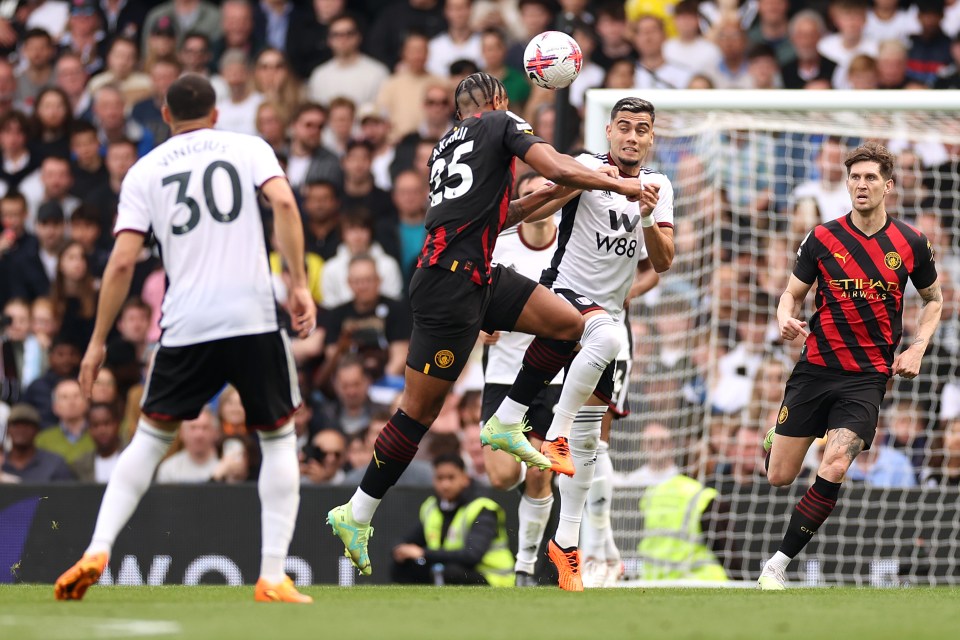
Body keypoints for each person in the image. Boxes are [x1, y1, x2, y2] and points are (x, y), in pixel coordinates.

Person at [327, 71, 645, 577]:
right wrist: (615, 180)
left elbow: (504, 213)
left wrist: (557, 194)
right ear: (497, 102)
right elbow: (552, 162)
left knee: (568, 323)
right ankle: (357, 511)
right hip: (450, 288)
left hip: (474, 275)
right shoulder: (499, 121)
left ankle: (505, 419)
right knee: (417, 413)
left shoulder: (445, 146)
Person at [54, 74, 316, 604]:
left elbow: (124, 260)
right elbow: (285, 206)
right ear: (216, 113)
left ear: (166, 115)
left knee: (148, 441)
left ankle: (98, 548)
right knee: (277, 439)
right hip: (252, 317)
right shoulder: (248, 147)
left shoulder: (144, 170)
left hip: (185, 324)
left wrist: (98, 340)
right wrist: (297, 284)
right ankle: (270, 575)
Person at [483, 97, 674, 591]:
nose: (633, 137)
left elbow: (665, 260)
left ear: (652, 138)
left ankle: (567, 547)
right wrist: (502, 217)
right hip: (567, 295)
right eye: (625, 128)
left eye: (643, 130)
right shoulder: (588, 167)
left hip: (604, 316)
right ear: (609, 131)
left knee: (591, 447)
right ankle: (553, 434)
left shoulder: (659, 186)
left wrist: (649, 217)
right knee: (608, 337)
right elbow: (545, 201)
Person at [758, 142, 942, 590]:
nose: (862, 185)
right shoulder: (822, 237)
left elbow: (934, 300)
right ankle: (783, 434)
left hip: (867, 377)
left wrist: (918, 347)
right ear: (847, 183)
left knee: (836, 464)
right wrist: (785, 318)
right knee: (779, 476)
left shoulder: (911, 242)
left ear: (888, 185)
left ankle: (776, 566)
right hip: (816, 368)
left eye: (871, 178)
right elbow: (791, 294)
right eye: (855, 177)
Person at [391, 453, 514, 586]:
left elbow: (472, 556)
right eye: (440, 478)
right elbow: (409, 539)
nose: (445, 485)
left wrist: (423, 553)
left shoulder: (483, 508)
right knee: (403, 566)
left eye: (451, 478)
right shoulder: (431, 506)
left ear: (465, 478)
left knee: (451, 572)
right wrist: (400, 549)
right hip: (451, 569)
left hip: (493, 577)